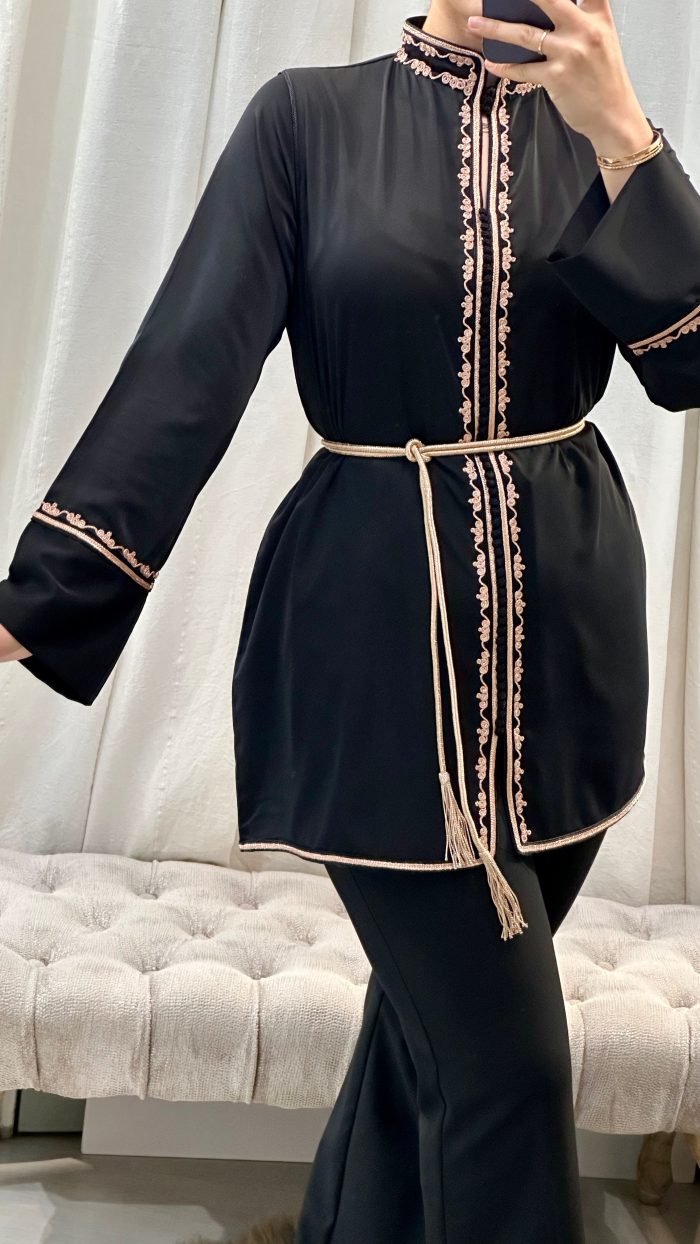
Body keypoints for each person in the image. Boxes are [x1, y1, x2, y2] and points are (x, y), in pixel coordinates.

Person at [1, 0, 698, 1238]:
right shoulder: (307, 123)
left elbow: (689, 364)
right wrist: (47, 591)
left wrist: (624, 139)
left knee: (427, 1037)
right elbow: (190, 360)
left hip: (569, 658)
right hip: (373, 652)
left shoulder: (598, 134)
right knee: (507, 1070)